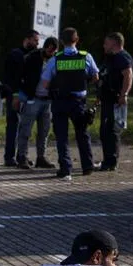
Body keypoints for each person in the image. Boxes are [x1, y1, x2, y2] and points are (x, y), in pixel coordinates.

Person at [41, 27, 100, 181]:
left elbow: (45, 83)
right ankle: (87, 166)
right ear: (77, 39)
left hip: (60, 102)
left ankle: (66, 169)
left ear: (61, 41)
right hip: (78, 102)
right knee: (82, 133)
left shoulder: (56, 59)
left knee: (62, 137)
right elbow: (95, 77)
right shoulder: (86, 57)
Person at [14, 36, 59, 169]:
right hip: (32, 99)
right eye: (49, 49)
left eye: (53, 50)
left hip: (48, 100)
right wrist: (20, 94)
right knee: (25, 129)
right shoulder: (32, 57)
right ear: (45, 47)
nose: (51, 52)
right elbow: (20, 76)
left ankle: (41, 157)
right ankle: (22, 156)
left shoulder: (56, 59)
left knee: (44, 131)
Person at [1, 30, 41, 166]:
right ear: (27, 39)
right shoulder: (15, 55)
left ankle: (22, 155)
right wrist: (14, 94)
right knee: (13, 125)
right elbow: (9, 77)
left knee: (25, 127)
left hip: (29, 96)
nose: (37, 43)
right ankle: (9, 156)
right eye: (35, 40)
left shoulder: (34, 56)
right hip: (15, 95)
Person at [98, 32, 133, 171]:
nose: (104, 46)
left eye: (106, 43)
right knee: (105, 131)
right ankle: (107, 159)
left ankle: (111, 161)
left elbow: (128, 75)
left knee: (111, 130)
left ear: (114, 43)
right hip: (107, 99)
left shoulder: (122, 57)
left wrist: (124, 94)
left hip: (115, 99)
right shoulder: (111, 58)